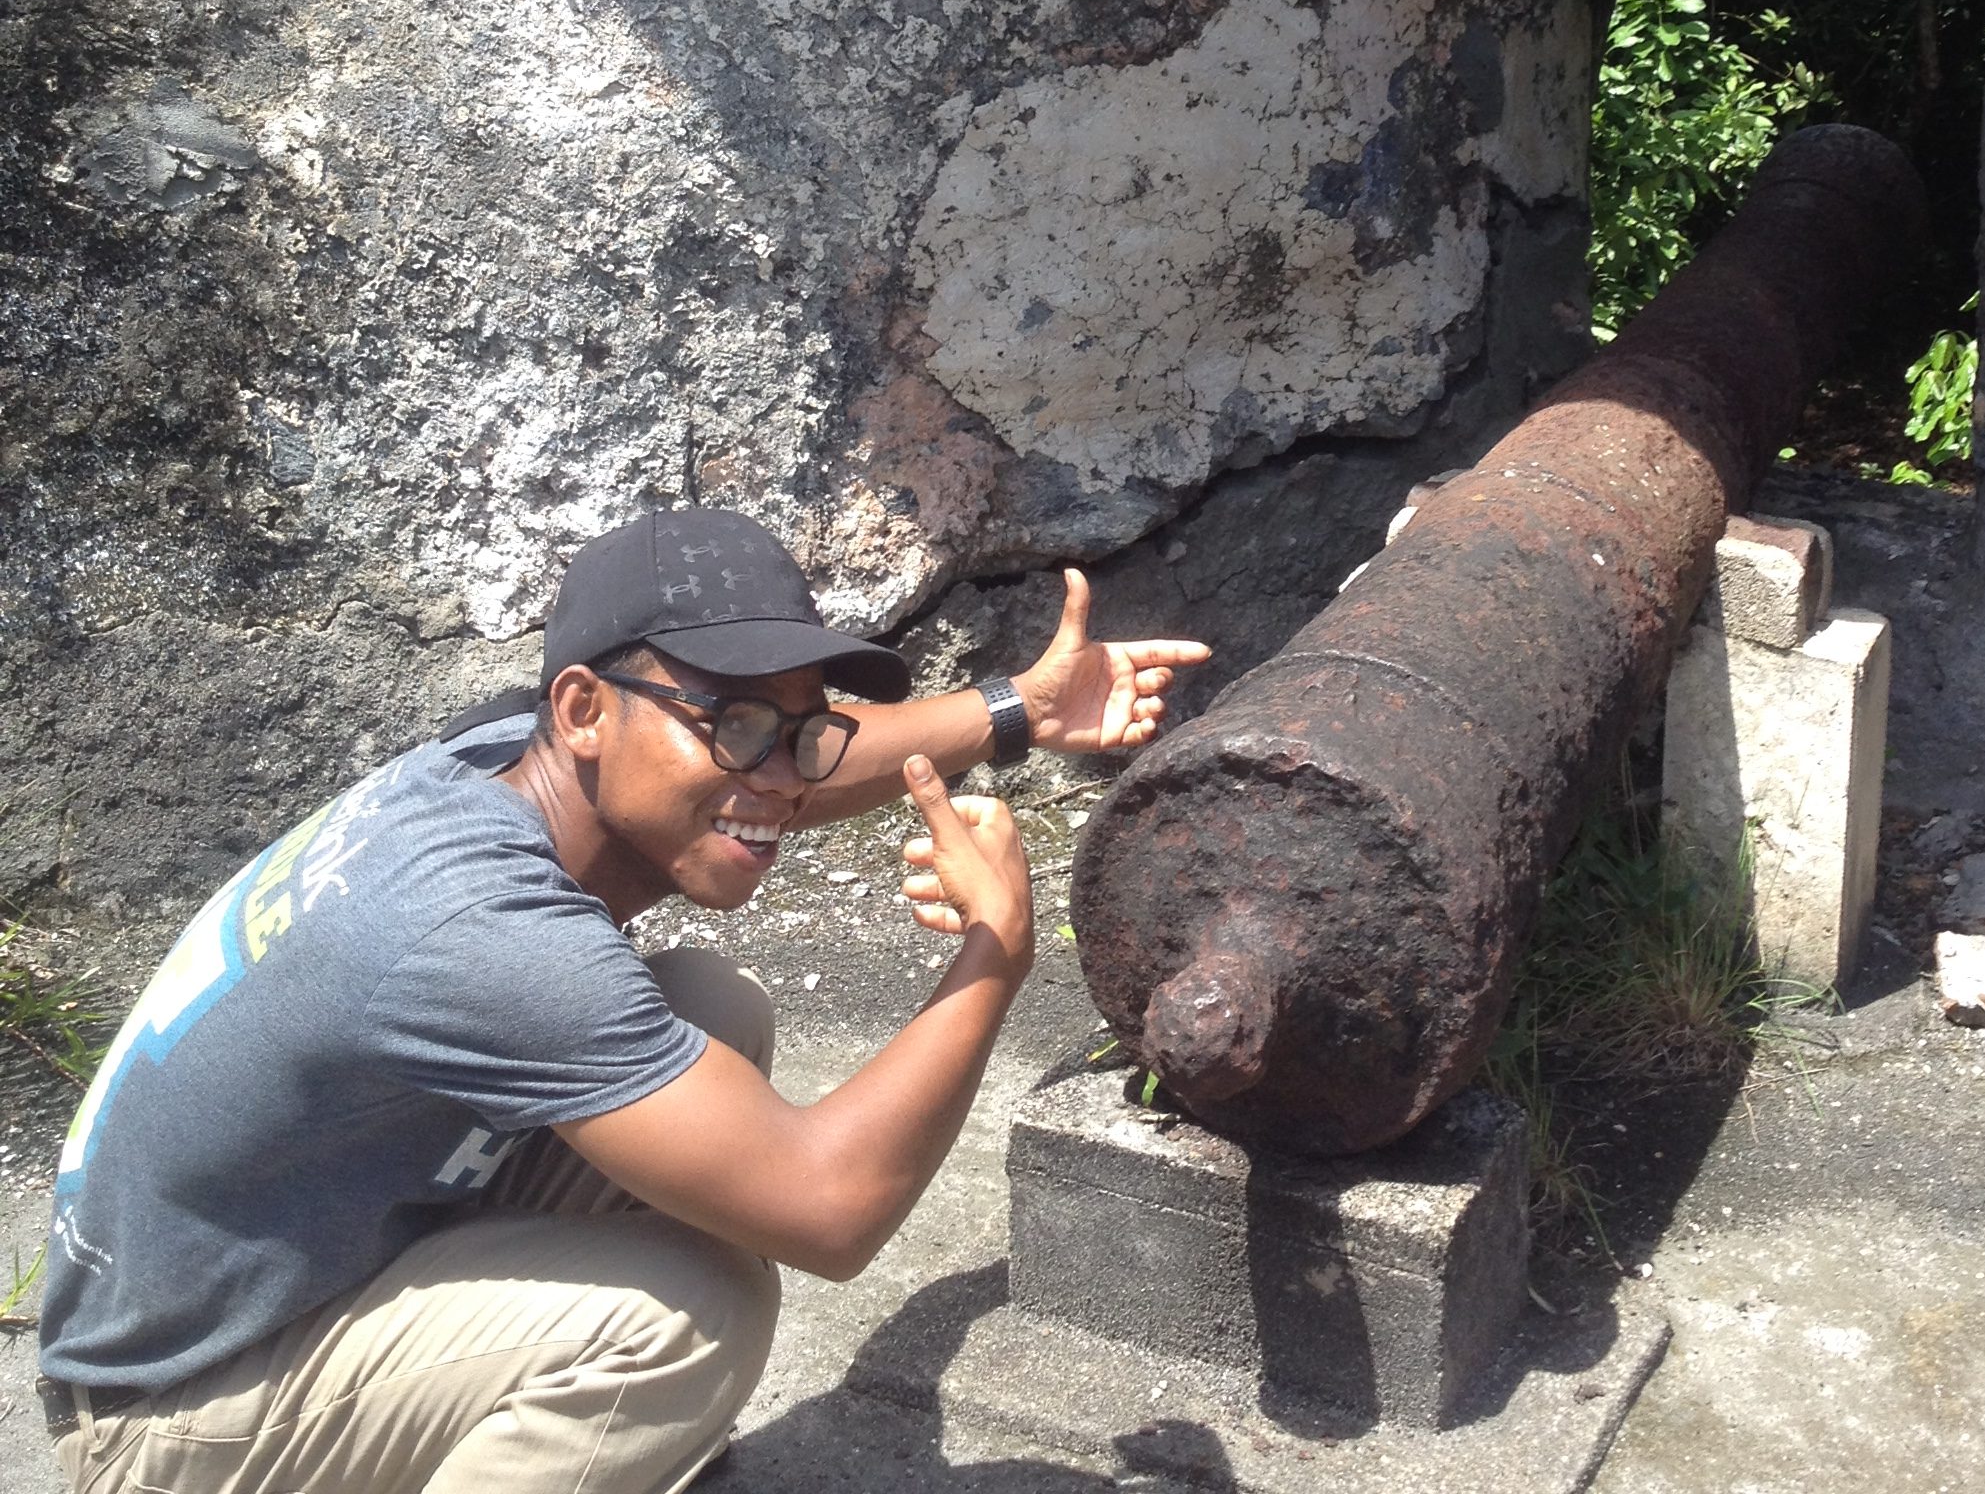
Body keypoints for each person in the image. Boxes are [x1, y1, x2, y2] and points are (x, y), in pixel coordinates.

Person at [36, 505, 1208, 1493]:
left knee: (709, 1010)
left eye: (797, 730)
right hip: (166, 1418)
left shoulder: (495, 759)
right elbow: (831, 1210)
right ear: (586, 710)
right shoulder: (480, 931)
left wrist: (1013, 711)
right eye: (733, 722)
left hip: (269, 1274)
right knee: (684, 1317)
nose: (776, 777)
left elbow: (780, 763)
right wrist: (996, 949)